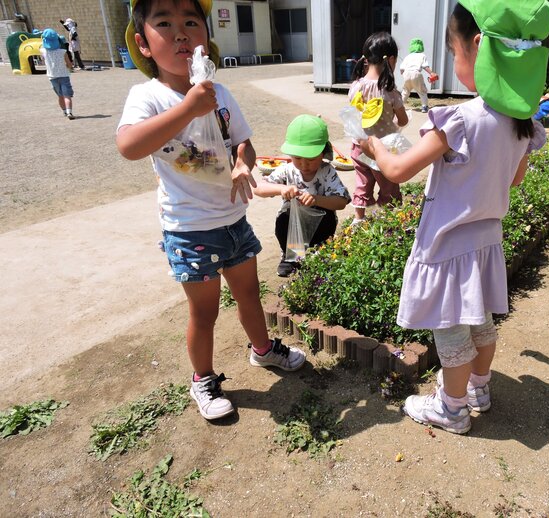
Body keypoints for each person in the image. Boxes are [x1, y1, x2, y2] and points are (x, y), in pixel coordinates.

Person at [359, 0, 549, 434]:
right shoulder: (521, 122)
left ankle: (451, 408)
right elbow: (514, 180)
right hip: (485, 242)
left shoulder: (460, 121)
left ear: (479, 47)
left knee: (449, 334)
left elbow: (397, 170)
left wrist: (372, 145)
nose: (451, 57)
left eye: (453, 48)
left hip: (446, 245)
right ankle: (478, 388)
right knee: (481, 322)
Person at [116, 0, 307, 421]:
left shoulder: (221, 93)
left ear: (205, 37)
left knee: (249, 295)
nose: (181, 33)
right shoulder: (147, 95)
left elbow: (243, 141)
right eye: (164, 24)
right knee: (203, 312)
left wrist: (243, 162)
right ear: (143, 44)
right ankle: (202, 378)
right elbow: (129, 145)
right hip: (188, 228)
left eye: (191, 22)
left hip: (233, 220)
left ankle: (262, 350)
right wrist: (188, 107)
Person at [253, 115, 351, 277]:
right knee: (284, 219)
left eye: (311, 159)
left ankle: (319, 254)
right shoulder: (288, 169)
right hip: (292, 223)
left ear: (323, 153)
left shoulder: (326, 172)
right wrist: (280, 189)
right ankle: (290, 257)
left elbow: (341, 202)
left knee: (324, 229)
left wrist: (316, 199)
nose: (304, 165)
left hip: (321, 220)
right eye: (298, 158)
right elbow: (258, 188)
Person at [348, 32, 408, 225]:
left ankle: (359, 219)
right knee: (388, 187)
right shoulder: (390, 91)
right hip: (382, 150)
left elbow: (354, 115)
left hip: (359, 146)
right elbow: (403, 119)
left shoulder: (355, 86)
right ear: (390, 59)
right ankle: (387, 221)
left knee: (362, 183)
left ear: (365, 60)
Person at [40, 28, 75, 119]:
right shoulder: (62, 52)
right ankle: (69, 112)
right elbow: (69, 64)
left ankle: (64, 111)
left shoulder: (43, 51)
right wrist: (70, 66)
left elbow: (43, 60)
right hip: (64, 75)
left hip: (52, 77)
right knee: (67, 95)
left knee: (60, 96)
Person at [399, 38, 438, 113]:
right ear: (421, 46)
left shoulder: (408, 56)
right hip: (416, 73)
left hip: (406, 74)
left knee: (405, 91)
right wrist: (431, 73)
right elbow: (425, 66)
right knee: (422, 91)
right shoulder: (422, 55)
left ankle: (400, 106)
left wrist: (404, 74)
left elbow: (401, 69)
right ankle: (424, 106)